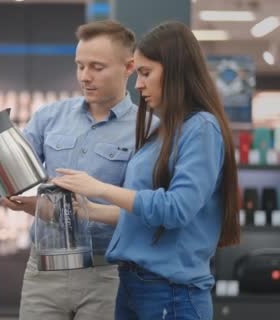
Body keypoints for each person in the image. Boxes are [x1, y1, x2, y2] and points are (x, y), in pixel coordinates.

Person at [0, 20, 143, 320]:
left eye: (97, 67)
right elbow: (4, 186)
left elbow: (145, 210)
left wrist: (72, 209)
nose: (85, 77)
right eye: (80, 66)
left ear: (129, 67)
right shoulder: (50, 117)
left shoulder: (146, 130)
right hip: (44, 272)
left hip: (108, 274)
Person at [52, 21, 240, 320]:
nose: (138, 84)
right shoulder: (164, 131)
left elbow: (176, 209)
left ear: (175, 70)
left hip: (171, 292)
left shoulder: (201, 128)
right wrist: (91, 210)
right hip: (134, 286)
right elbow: (149, 213)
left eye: (145, 73)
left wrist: (100, 189)